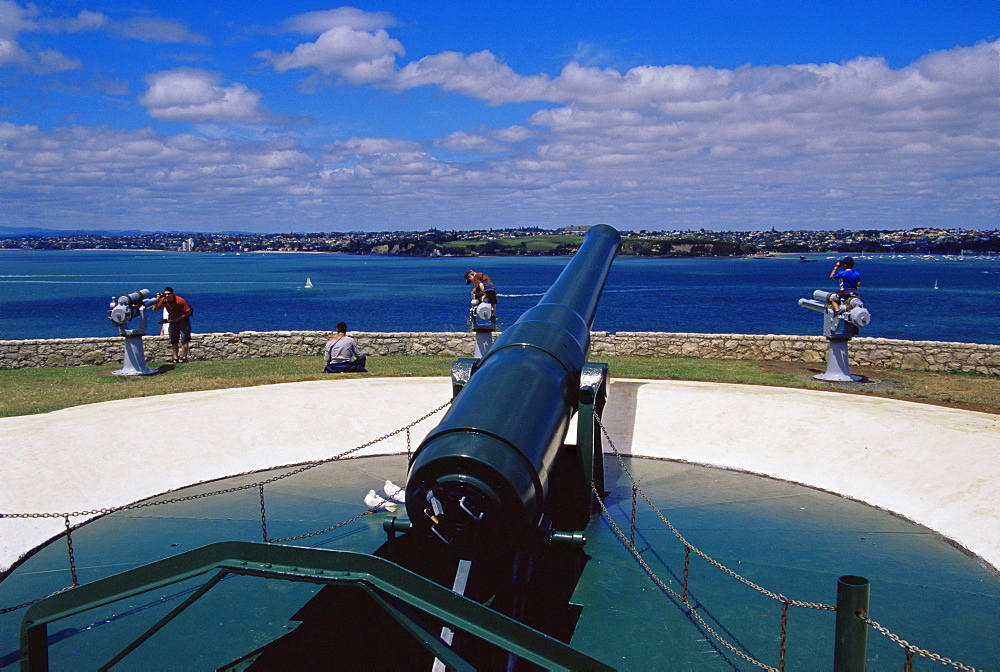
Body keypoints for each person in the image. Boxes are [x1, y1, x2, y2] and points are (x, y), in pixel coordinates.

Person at [152, 286, 193, 363]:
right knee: (174, 341)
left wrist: (178, 319)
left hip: (183, 321)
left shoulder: (180, 300)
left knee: (184, 340)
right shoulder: (163, 300)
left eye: (169, 294)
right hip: (173, 321)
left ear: (172, 294)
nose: (167, 296)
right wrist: (157, 300)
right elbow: (155, 309)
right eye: (165, 294)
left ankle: (185, 358)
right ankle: (175, 358)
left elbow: (188, 312)